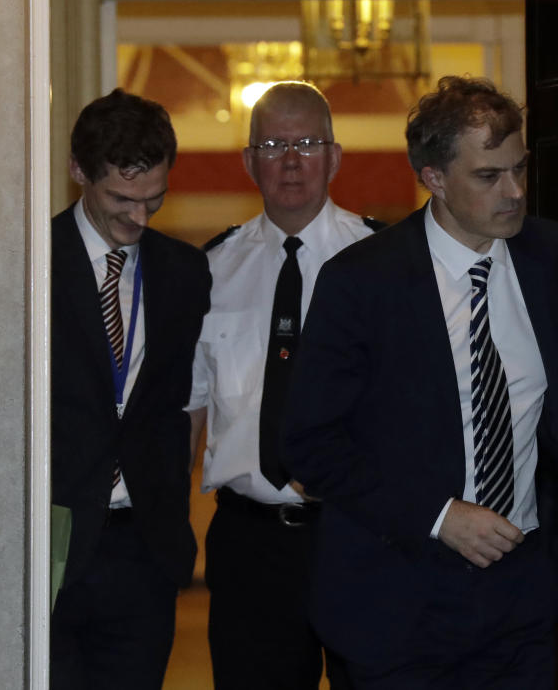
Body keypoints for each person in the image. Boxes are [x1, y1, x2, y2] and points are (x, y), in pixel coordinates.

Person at [280, 75, 558, 689]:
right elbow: (310, 446)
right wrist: (438, 516)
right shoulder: (362, 281)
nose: (514, 192)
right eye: (488, 176)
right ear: (433, 178)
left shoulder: (549, 255)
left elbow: (557, 420)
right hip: (402, 592)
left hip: (523, 591)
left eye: (519, 169)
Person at [186, 81, 379, 690]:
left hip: (360, 537)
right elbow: (189, 410)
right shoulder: (210, 270)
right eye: (272, 144)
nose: (291, 160)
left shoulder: (385, 262)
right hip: (251, 546)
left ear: (336, 157)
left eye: (307, 143)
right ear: (248, 162)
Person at [50, 88, 211, 689]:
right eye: (121, 198)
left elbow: (182, 401)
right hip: (51, 543)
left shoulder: (184, 271)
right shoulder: (30, 264)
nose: (140, 219)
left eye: (155, 199)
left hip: (145, 550)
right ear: (78, 172)